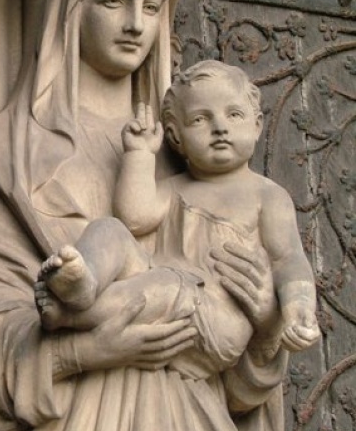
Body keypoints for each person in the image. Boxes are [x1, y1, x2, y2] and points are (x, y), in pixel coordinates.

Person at [0, 0, 288, 431]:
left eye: (151, 6)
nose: (135, 25)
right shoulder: (3, 152)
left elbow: (237, 375)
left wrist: (265, 323)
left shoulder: (194, 159)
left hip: (191, 419)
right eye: (113, 0)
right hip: (72, 424)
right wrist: (83, 353)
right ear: (72, 7)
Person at [35, 61, 320, 367]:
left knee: (169, 288)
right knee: (110, 230)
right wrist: (140, 154)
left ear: (257, 125)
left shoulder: (267, 195)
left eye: (234, 114)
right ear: (175, 136)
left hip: (219, 317)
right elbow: (134, 217)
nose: (220, 127)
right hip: (162, 284)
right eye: (200, 119)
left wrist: (299, 307)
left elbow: (288, 258)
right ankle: (83, 282)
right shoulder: (175, 188)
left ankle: (72, 315)